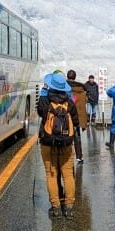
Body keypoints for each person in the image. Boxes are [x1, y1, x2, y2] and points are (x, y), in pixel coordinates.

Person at [37, 72, 79, 219]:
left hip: (47, 142)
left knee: (51, 174)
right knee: (68, 174)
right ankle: (69, 208)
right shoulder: (69, 102)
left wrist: (43, 93)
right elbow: (76, 122)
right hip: (66, 143)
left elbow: (41, 114)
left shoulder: (44, 100)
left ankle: (56, 209)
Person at [67, 70, 86, 164]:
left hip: (65, 116)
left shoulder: (63, 87)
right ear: (75, 77)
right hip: (76, 118)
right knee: (77, 136)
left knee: (65, 135)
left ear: (67, 76)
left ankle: (66, 156)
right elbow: (83, 105)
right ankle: (79, 156)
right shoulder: (81, 90)